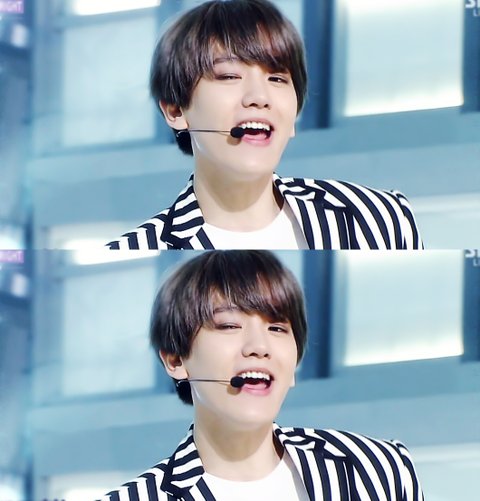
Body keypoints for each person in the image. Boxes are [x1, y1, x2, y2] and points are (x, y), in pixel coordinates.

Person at [98, 250, 424, 500]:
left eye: (277, 328)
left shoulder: (376, 468)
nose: (259, 347)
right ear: (175, 359)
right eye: (229, 325)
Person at [106, 0, 422, 250]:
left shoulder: (379, 217)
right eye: (229, 76)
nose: (259, 97)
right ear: (176, 110)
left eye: (277, 78)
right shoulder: (138, 247)